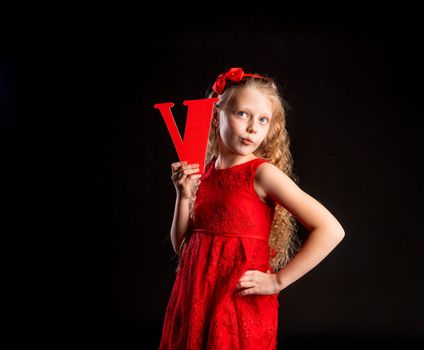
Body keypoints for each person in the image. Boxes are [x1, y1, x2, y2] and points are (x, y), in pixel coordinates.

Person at [158, 67, 345, 349]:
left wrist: (278, 280)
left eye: (263, 120)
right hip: (195, 296)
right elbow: (183, 247)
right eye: (242, 114)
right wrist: (183, 195)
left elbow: (331, 229)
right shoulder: (205, 173)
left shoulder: (262, 174)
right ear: (216, 114)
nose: (252, 127)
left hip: (236, 304)